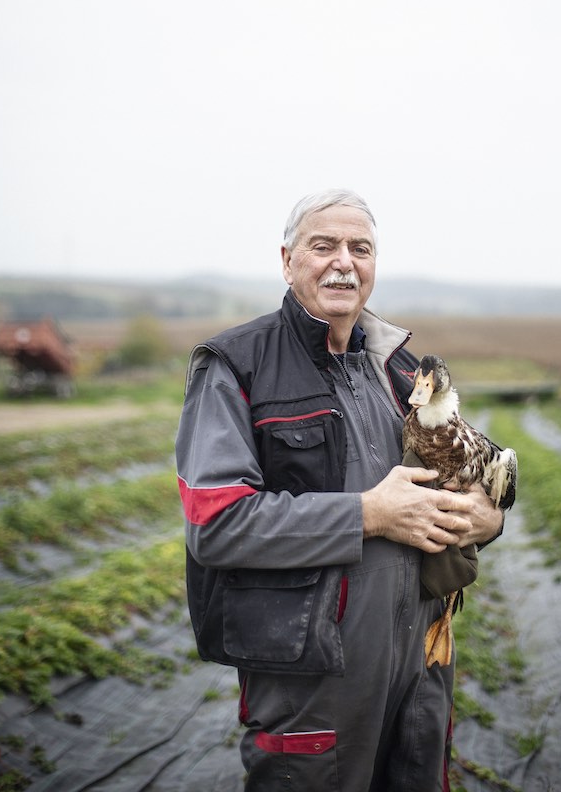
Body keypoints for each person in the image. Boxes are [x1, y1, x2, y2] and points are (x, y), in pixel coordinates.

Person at [176, 189, 504, 792]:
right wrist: (369, 514)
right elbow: (216, 522)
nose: (344, 262)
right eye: (322, 245)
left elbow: (472, 472)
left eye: (361, 248)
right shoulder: (235, 365)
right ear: (287, 260)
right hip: (312, 674)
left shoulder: (404, 371)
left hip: (419, 663)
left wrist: (484, 517)